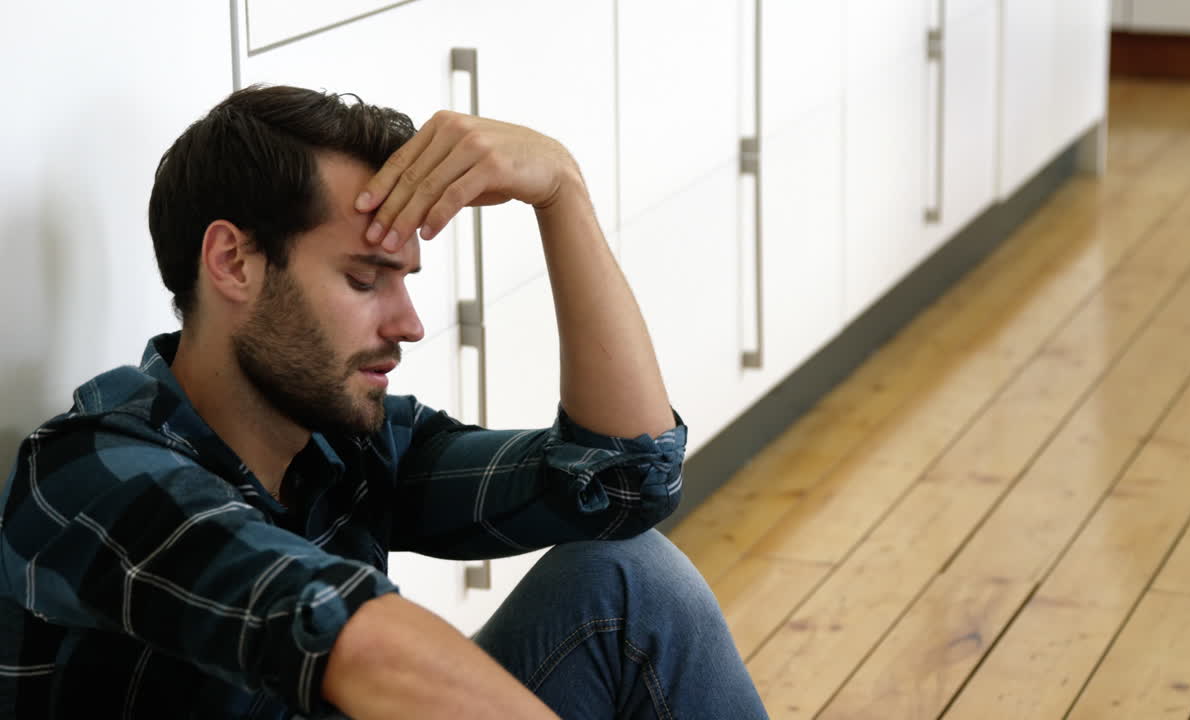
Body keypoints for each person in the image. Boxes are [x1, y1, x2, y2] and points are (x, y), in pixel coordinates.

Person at [0, 85, 769, 719]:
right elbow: (337, 631)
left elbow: (625, 480)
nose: (408, 324)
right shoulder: (89, 473)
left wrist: (560, 191)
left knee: (629, 580)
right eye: (365, 281)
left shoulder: (340, 444)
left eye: (404, 281)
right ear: (234, 261)